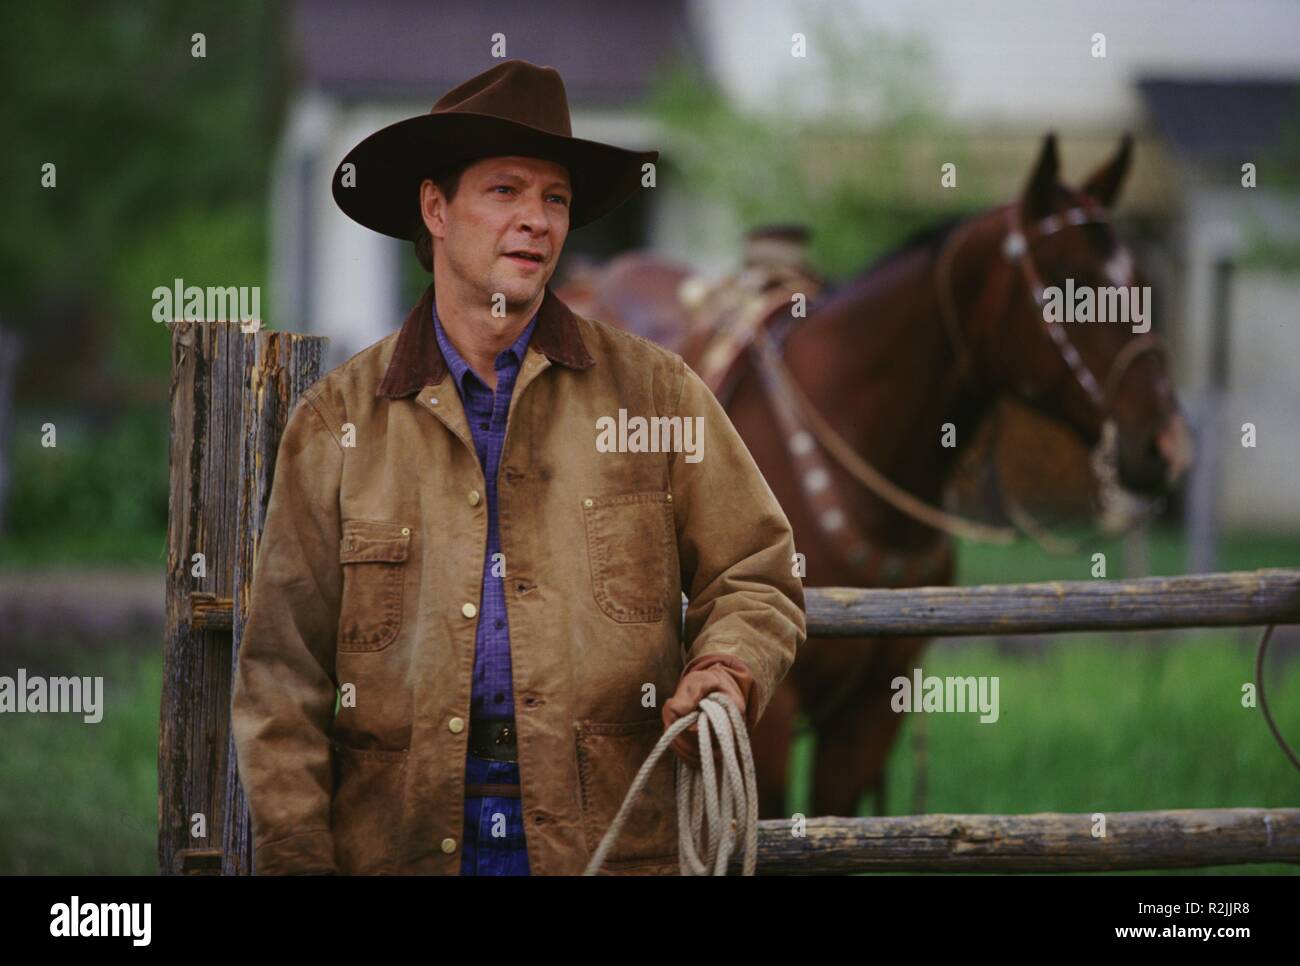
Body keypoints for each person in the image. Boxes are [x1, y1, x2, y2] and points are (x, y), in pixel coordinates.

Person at [230, 59, 806, 876]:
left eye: (555, 198)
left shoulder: (655, 394)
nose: (536, 220)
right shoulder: (338, 423)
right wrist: (297, 860)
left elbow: (758, 571)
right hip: (400, 848)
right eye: (506, 191)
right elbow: (282, 681)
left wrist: (725, 668)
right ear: (436, 208)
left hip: (606, 843)